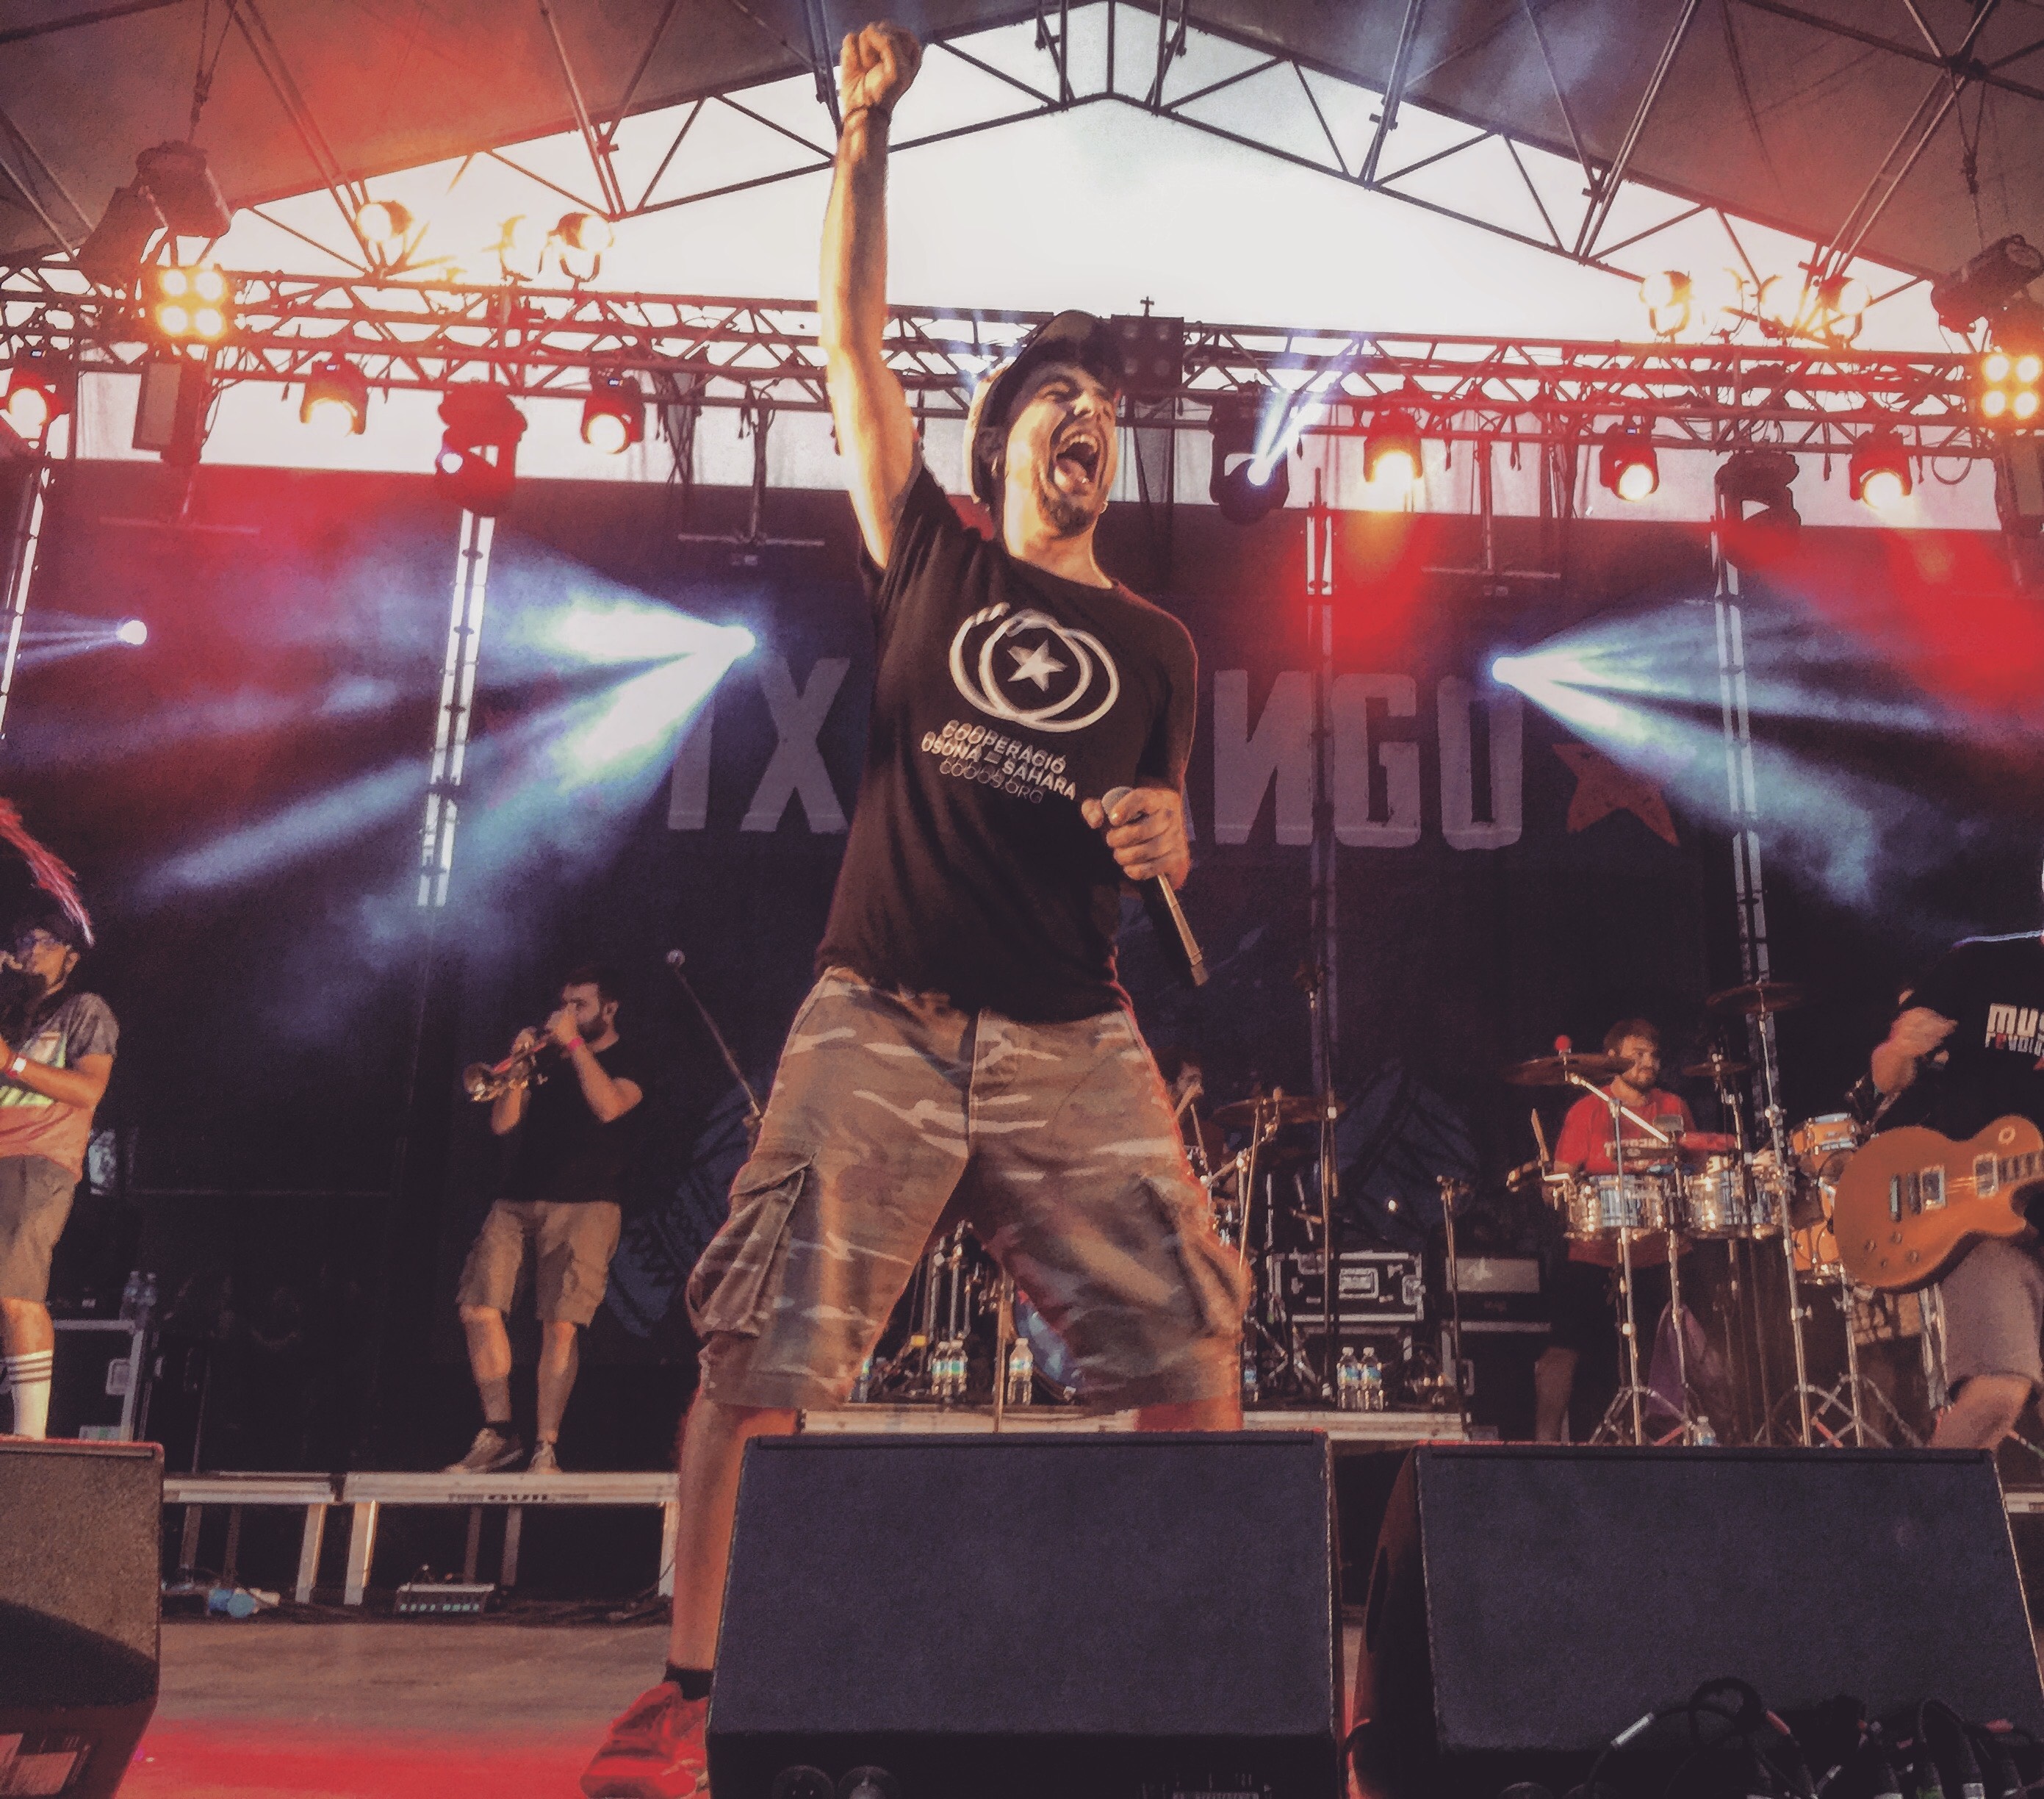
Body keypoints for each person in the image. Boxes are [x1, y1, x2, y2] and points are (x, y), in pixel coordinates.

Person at [581, 21, 1245, 1798]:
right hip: (876, 1009)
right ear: (1002, 437)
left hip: (1070, 1033)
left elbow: (1160, 847)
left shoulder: (1158, 646)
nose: (1089, 421)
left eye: (1108, 413)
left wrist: (1169, 838)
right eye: (1058, 402)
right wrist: (861, 140)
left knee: (1190, 1346)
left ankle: (1183, 1687)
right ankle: (693, 1690)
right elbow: (847, 340)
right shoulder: (931, 548)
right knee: (756, 1347)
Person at [447, 964, 645, 1474]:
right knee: (477, 1306)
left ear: (609, 1009)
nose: (568, 1013)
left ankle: (545, 1447)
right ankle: (499, 1432)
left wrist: (575, 1045)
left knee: (560, 1324)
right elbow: (503, 1124)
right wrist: (516, 1069)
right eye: (565, 1004)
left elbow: (609, 1106)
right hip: (518, 1198)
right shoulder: (547, 1061)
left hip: (587, 1203)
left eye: (581, 1005)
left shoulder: (630, 1057)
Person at [1870, 881, 2044, 1451]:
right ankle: (1925, 1510)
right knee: (1997, 1394)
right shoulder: (1982, 964)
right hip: (1979, 1218)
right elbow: (1887, 1075)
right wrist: (1900, 1051)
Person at [1533, 1019, 1694, 1442]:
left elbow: (1694, 1168)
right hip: (1595, 1250)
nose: (1649, 1063)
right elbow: (1558, 1183)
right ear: (1612, 1060)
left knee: (1685, 1347)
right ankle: (1544, 1445)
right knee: (1563, 1349)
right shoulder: (1587, 1110)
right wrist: (1554, 1189)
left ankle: (1678, 1439)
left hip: (1661, 1250)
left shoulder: (1673, 1106)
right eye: (1637, 1055)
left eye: (1654, 1055)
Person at [0, 908, 117, 1440]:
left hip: (39, 1159)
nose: (29, 951)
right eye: (24, 940)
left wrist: (13, 1063)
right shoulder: (10, 1011)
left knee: (15, 1291)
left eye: (43, 942)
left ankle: (31, 1439)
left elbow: (89, 1090)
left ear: (70, 958)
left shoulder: (84, 1010)